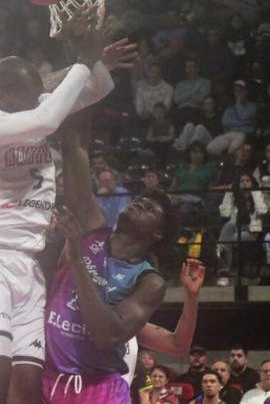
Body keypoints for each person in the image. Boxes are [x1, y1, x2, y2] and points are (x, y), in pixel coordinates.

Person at [0, 15, 130, 404]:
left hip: (30, 265)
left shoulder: (31, 106)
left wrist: (94, 58)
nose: (38, 99)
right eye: (29, 95)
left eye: (39, 93)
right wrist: (83, 62)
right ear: (2, 94)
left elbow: (95, 88)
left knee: (29, 391)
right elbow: (48, 116)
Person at [41, 118, 204, 404]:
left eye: (152, 207)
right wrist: (87, 83)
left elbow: (108, 335)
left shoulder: (148, 281)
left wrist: (77, 262)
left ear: (157, 232)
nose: (141, 201)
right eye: (142, 198)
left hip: (98, 390)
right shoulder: (93, 228)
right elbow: (77, 150)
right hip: (50, 379)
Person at [216, 173, 268, 286]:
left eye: (248, 180)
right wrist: (229, 193)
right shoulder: (235, 197)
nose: (244, 183)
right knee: (229, 227)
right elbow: (224, 213)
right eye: (242, 181)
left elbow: (263, 211)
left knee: (225, 242)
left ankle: (223, 274)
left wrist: (255, 192)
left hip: (250, 232)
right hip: (234, 229)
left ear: (252, 183)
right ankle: (224, 272)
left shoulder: (258, 196)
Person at [207, 81, 256, 155]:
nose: (238, 93)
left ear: (246, 92)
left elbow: (244, 117)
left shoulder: (252, 106)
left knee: (234, 146)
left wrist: (238, 103)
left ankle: (228, 157)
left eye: (240, 90)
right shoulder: (230, 108)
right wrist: (243, 123)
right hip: (230, 134)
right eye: (236, 91)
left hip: (243, 135)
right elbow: (225, 122)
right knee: (210, 148)